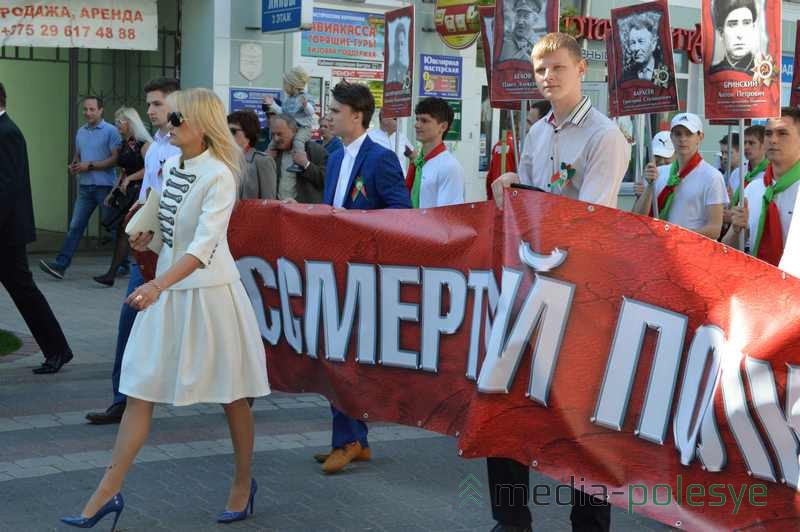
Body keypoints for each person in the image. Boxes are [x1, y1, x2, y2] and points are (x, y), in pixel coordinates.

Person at [61, 88, 270, 530]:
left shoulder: (219, 175)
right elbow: (164, 226)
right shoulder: (173, 164)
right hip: (169, 291)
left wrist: (157, 282)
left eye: (176, 119)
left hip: (209, 296)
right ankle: (105, 494)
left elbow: (205, 246)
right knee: (140, 388)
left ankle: (243, 482)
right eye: (169, 119)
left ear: (199, 124)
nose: (168, 126)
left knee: (233, 396)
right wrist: (146, 237)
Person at [491, 32, 630, 532]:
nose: (548, 78)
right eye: (540, 70)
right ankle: (511, 521)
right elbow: (527, 210)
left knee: (580, 422)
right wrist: (510, 191)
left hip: (582, 294)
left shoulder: (604, 135)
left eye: (557, 68)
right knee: (502, 405)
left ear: (581, 69)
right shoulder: (537, 132)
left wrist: (527, 197)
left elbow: (589, 221)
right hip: (532, 287)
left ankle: (589, 525)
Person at [316, 80, 411, 475]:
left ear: (357, 115)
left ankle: (349, 439)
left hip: (365, 274)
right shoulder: (335, 155)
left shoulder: (381, 158)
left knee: (343, 359)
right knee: (338, 356)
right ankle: (358, 439)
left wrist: (360, 231)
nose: (329, 116)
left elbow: (402, 213)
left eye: (336, 111)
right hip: (334, 270)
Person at [85, 77, 181, 426]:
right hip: (148, 251)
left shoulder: (189, 147)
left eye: (157, 104)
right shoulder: (156, 144)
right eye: (149, 104)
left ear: (176, 103)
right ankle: (121, 400)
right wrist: (137, 215)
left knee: (198, 330)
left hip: (183, 257)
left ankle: (236, 396)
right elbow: (150, 194)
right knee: (130, 319)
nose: (150, 110)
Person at [0, 83, 75, 375]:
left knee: (24, 291)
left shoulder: (8, 132)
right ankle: (58, 349)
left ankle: (57, 350)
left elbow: (7, 187)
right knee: (24, 291)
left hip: (7, 233)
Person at [40, 96, 122, 280]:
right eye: (85, 109)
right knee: (75, 227)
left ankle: (122, 264)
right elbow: (78, 155)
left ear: (101, 110)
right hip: (85, 187)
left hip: (105, 187)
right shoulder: (81, 132)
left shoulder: (111, 131)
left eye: (92, 109)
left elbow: (115, 160)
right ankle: (60, 265)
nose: (88, 113)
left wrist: (90, 165)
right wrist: (74, 165)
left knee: (114, 227)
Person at [723, 109, 800, 265]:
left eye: (782, 133)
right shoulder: (753, 188)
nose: (773, 140)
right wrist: (736, 231)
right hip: (757, 283)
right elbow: (728, 249)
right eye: (768, 133)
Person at [633, 113, 728, 240]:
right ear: (671, 137)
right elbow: (638, 218)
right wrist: (649, 186)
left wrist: (676, 237)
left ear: (700, 137)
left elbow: (715, 229)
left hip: (692, 252)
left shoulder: (712, 176)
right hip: (659, 249)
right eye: (678, 134)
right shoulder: (658, 173)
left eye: (688, 134)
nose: (683, 139)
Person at [93, 107, 152, 286]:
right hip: (128, 192)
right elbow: (124, 171)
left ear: (130, 123)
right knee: (122, 231)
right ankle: (114, 272)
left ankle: (119, 272)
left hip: (141, 192)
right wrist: (114, 190)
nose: (117, 125)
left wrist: (131, 179)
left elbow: (150, 169)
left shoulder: (143, 144)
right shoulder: (125, 143)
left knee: (126, 231)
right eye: (116, 122)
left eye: (120, 122)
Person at [405, 97, 465, 208]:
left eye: (424, 121)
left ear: (443, 126)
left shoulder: (450, 167)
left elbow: (447, 216)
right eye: (417, 119)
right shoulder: (419, 162)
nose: (417, 125)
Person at [263, 66, 316, 173]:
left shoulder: (305, 97)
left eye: (285, 84)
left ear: (293, 85)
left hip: (303, 128)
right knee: (273, 142)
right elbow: (282, 113)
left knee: (298, 141)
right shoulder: (288, 100)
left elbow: (311, 112)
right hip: (291, 127)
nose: (283, 87)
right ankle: (267, 159)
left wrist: (306, 105)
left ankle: (298, 162)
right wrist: (272, 104)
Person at [270, 113, 327, 203]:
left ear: (294, 131)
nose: (276, 138)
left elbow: (326, 180)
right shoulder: (273, 153)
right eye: (273, 135)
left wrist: (306, 164)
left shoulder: (315, 151)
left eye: (280, 134)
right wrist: (266, 162)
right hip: (278, 211)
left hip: (303, 212)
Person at [228, 109, 277, 200]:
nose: (227, 135)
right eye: (226, 131)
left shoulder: (263, 161)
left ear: (248, 131)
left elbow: (268, 203)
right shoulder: (224, 160)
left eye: (233, 131)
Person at [709, 0, 758, 75]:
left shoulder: (763, 73)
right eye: (732, 25)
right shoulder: (714, 73)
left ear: (753, 28)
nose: (740, 35)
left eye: (746, 23)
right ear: (721, 33)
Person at [620, 12, 666, 83]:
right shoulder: (625, 76)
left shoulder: (664, 71)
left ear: (653, 44)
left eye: (641, 41)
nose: (636, 48)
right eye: (633, 43)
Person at [728, 125, 767, 207]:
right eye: (744, 143)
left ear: (764, 145)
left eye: (751, 143)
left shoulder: (770, 174)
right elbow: (729, 202)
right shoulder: (737, 173)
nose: (746, 147)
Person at [368, 107, 414, 174]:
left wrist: (410, 177)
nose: (399, 121)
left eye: (399, 119)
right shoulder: (370, 137)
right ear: (384, 118)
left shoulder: (401, 138)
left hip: (401, 182)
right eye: (395, 119)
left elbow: (414, 157)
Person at [387, 20, 410, 85]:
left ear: (405, 46)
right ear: (394, 45)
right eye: (397, 44)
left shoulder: (409, 71)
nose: (399, 48)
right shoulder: (388, 71)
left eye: (402, 44)